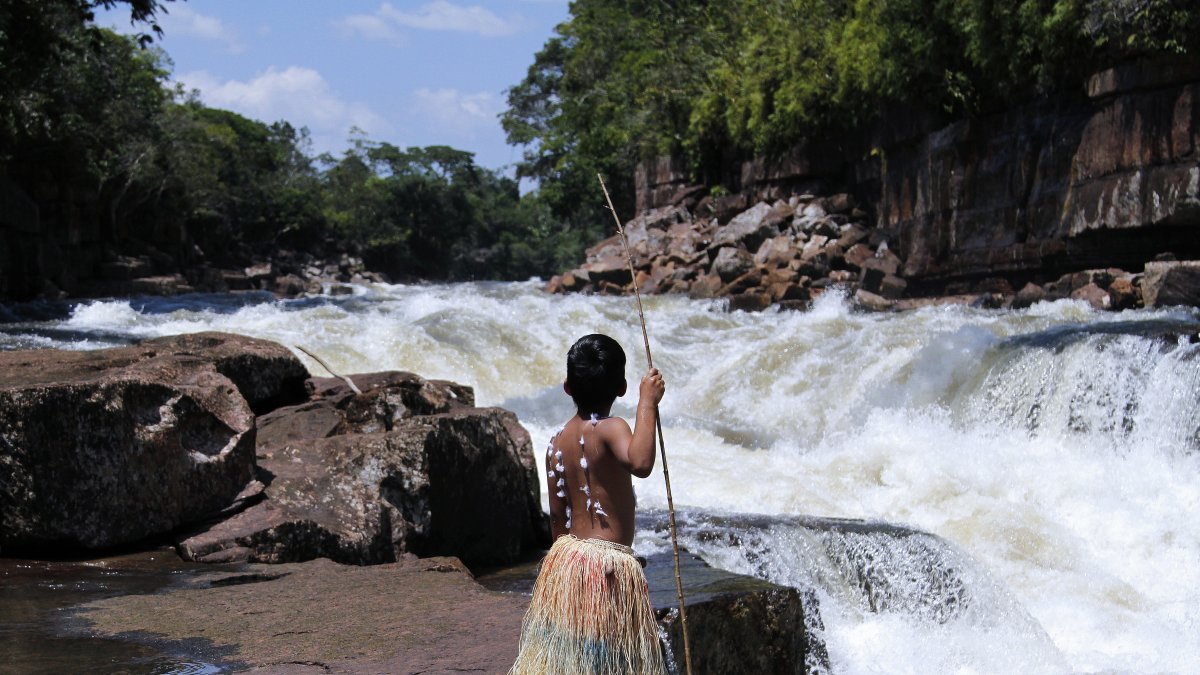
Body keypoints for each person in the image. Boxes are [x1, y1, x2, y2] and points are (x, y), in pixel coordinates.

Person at [510, 333, 668, 674]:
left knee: (575, 656)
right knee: (609, 659)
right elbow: (641, 462)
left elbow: (556, 513)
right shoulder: (610, 428)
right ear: (622, 387)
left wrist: (563, 569)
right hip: (609, 568)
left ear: (567, 386)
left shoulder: (556, 441)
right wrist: (648, 403)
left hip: (567, 560)